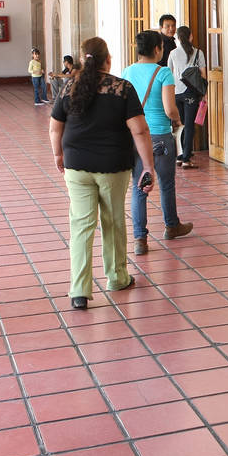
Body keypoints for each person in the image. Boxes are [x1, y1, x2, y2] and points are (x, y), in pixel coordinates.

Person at [49, 37, 155, 310]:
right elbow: (140, 130)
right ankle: (117, 278)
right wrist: (148, 166)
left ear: (83, 60)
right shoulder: (122, 88)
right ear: (108, 60)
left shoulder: (69, 87)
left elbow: (55, 127)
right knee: (113, 220)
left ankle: (79, 290)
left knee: (81, 226)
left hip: (76, 165)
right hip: (113, 166)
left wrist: (58, 154)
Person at [122, 30, 193, 256]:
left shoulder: (127, 72)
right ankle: (171, 226)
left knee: (139, 188)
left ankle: (140, 239)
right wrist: (178, 120)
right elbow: (170, 109)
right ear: (157, 49)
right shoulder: (163, 73)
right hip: (160, 137)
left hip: (135, 136)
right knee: (166, 184)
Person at [167, 25, 206, 168]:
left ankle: (179, 156)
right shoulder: (198, 53)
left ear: (178, 38)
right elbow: (203, 75)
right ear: (191, 36)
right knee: (189, 125)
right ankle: (186, 158)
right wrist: (204, 94)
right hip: (191, 92)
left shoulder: (172, 53)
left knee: (180, 125)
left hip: (176, 92)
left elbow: (169, 73)